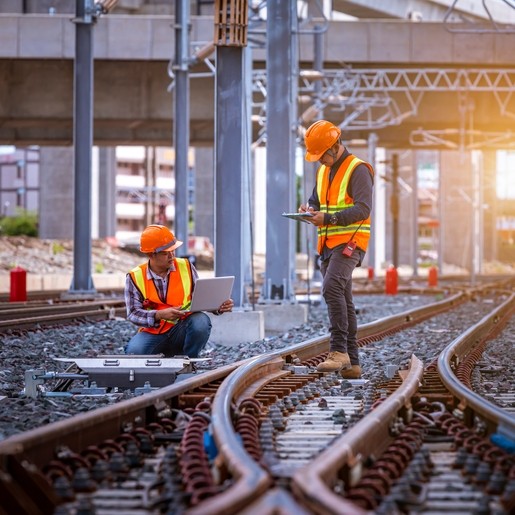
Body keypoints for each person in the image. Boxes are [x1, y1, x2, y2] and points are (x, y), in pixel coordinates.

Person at [299, 120, 374, 379]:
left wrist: (328, 219)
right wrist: (308, 210)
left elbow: (363, 209)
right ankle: (352, 363)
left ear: (334, 146)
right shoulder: (323, 171)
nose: (320, 161)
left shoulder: (358, 169)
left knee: (331, 288)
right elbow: (316, 200)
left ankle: (338, 350)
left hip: (350, 243)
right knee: (344, 296)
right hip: (327, 244)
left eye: (322, 156)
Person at [124, 224, 234, 357]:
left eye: (173, 250)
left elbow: (199, 299)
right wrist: (159, 315)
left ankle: (189, 361)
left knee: (200, 321)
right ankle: (166, 355)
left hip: (182, 328)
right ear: (150, 254)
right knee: (134, 353)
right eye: (166, 253)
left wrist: (218, 306)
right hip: (153, 332)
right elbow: (133, 314)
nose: (171, 256)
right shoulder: (135, 277)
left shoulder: (186, 267)